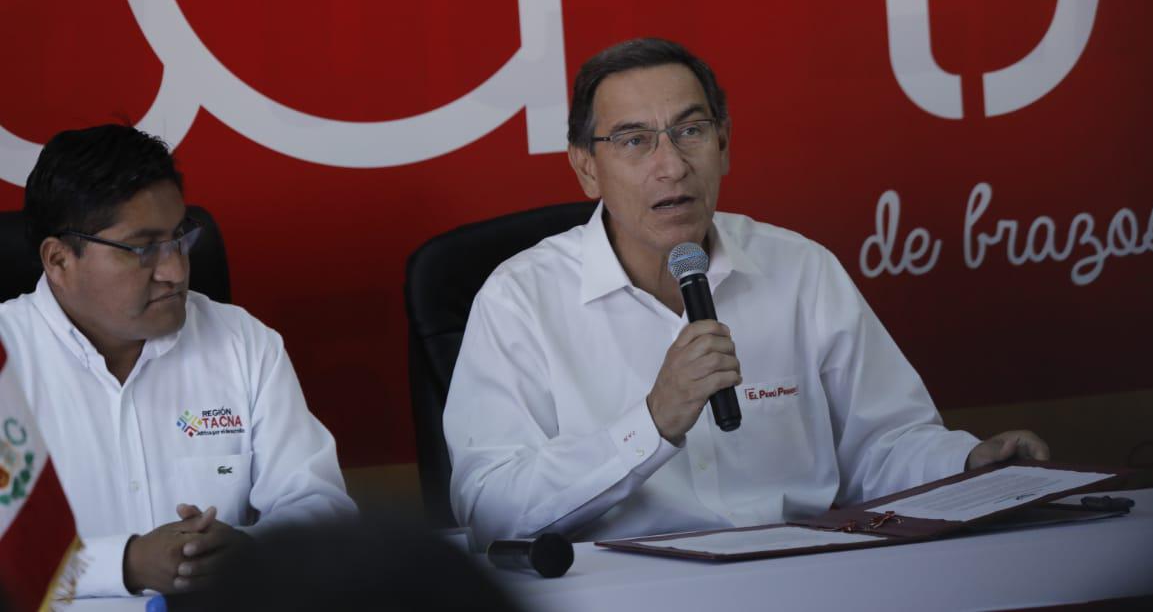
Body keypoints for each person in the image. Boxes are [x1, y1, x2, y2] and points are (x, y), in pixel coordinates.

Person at [444, 37, 1048, 546]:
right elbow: (488, 507)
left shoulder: (800, 269)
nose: (672, 165)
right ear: (585, 167)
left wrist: (966, 464)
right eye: (634, 140)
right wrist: (650, 424)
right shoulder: (519, 299)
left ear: (724, 145)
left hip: (810, 582)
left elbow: (882, 445)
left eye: (691, 131)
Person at [0, 125, 355, 597]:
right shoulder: (7, 361)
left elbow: (323, 509)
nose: (174, 270)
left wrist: (250, 549)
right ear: (59, 260)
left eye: (179, 239)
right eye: (143, 249)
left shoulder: (243, 342)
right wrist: (124, 564)